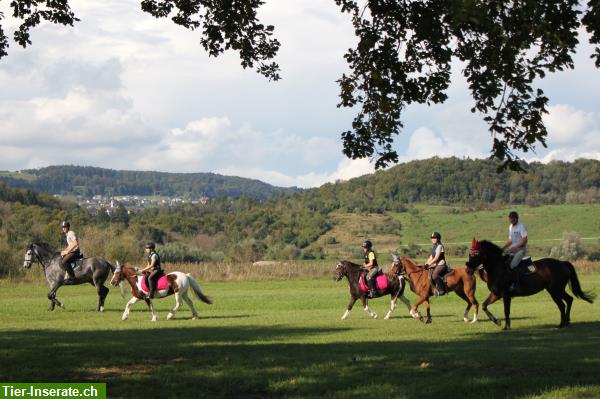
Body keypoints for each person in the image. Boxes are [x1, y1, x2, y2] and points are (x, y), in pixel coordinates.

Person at [503, 211, 528, 291]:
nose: (511, 220)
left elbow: (525, 240)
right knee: (504, 262)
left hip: (521, 250)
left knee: (512, 265)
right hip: (513, 250)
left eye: (512, 219)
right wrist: (502, 248)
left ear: (516, 219)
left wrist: (516, 247)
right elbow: (510, 240)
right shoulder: (510, 227)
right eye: (510, 219)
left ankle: (516, 284)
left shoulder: (521, 227)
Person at [426, 232, 447, 296]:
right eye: (432, 238)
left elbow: (436, 258)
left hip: (441, 264)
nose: (433, 239)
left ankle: (441, 290)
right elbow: (431, 257)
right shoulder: (434, 247)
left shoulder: (440, 246)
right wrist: (425, 264)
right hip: (436, 265)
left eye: (434, 238)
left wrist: (428, 264)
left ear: (438, 239)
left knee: (434, 275)